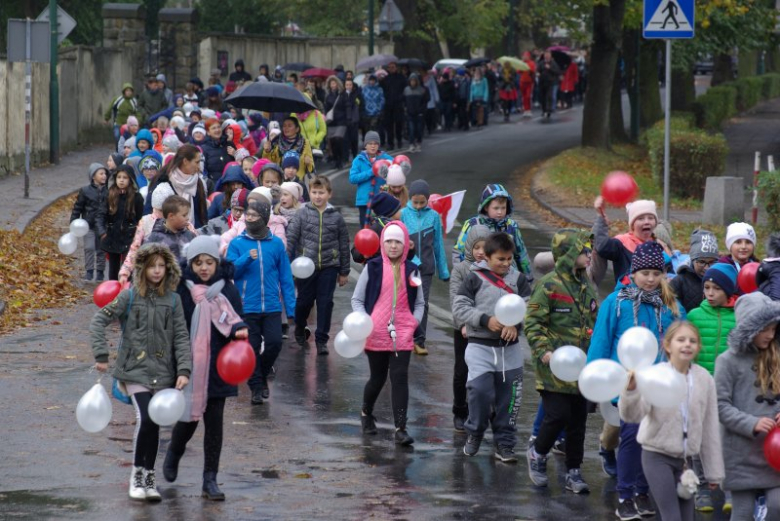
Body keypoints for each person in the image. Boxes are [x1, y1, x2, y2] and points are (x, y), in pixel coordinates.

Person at [587, 241, 685, 520]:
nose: (651, 279)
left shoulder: (670, 305)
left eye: (657, 273)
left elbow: (680, 340)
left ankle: (643, 491)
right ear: (634, 271)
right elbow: (602, 341)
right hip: (629, 386)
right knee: (631, 438)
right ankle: (625, 494)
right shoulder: (616, 303)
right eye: (645, 273)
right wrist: (595, 377)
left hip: (661, 385)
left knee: (652, 442)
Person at [89, 242, 191, 501]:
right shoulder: (129, 296)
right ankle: (136, 474)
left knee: (155, 424)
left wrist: (183, 369)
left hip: (163, 372)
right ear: (142, 268)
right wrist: (101, 355)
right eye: (151, 266)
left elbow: (180, 336)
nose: (157, 271)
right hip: (134, 370)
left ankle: (149, 477)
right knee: (146, 418)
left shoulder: (174, 300)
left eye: (161, 266)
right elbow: (99, 319)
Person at [163, 236, 248, 501]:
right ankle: (175, 451)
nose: (203, 268)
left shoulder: (228, 290)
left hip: (219, 367)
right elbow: (172, 326)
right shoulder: (180, 290)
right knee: (188, 419)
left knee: (214, 424)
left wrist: (241, 334)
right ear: (191, 263)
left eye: (209, 262)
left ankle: (209, 478)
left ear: (217, 263)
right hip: (188, 366)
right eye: (198, 262)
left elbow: (238, 321)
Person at [619, 321, 724, 521]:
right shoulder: (656, 375)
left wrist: (713, 472)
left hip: (685, 462)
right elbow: (633, 416)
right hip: (656, 456)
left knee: (687, 517)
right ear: (668, 345)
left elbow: (710, 428)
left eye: (693, 341)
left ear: (699, 347)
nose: (687, 344)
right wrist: (631, 391)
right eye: (681, 340)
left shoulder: (704, 379)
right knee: (672, 516)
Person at [525, 229, 599, 493]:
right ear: (568, 254)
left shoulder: (586, 284)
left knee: (578, 422)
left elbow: (593, 321)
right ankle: (538, 453)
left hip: (582, 368)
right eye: (583, 251)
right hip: (553, 366)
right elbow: (533, 323)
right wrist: (544, 351)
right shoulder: (548, 285)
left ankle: (574, 471)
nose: (589, 255)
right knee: (557, 416)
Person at [453, 232, 532, 462]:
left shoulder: (518, 280)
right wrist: (486, 319)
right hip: (480, 346)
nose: (506, 264)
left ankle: (504, 443)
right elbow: (459, 307)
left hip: (510, 350)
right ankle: (475, 432)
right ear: (487, 257)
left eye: (509, 259)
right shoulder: (473, 278)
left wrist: (517, 325)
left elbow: (530, 308)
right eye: (500, 259)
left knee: (509, 399)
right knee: (480, 392)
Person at [352, 222, 424, 446]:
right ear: (382, 243)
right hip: (376, 330)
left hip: (403, 331)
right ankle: (366, 413)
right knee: (378, 378)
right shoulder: (372, 267)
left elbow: (420, 302)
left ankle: (401, 428)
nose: (393, 246)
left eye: (398, 242)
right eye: (389, 242)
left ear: (405, 245)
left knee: (399, 378)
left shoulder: (413, 269)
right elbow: (357, 299)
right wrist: (364, 321)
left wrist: (414, 322)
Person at [715, 291, 780, 519]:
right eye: (764, 329)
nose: (770, 335)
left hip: (775, 452)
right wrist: (751, 423)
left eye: (774, 329)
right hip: (740, 452)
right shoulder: (727, 361)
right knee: (741, 512)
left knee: (777, 506)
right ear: (748, 328)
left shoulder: (776, 356)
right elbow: (720, 405)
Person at [227, 199, 296, 405]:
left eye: (254, 216)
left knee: (275, 344)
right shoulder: (237, 243)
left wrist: (291, 309)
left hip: (272, 306)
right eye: (247, 215)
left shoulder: (276, 244)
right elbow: (230, 270)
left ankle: (262, 375)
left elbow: (286, 278)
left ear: (265, 218)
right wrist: (246, 258)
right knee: (252, 347)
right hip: (247, 306)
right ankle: (256, 387)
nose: (249, 219)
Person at [687, 263, 737, 512]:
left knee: (726, 440)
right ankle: (702, 488)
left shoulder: (739, 317)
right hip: (700, 387)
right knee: (698, 440)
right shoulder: (695, 315)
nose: (710, 292)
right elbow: (687, 349)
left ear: (729, 290)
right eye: (706, 287)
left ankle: (730, 489)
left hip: (728, 391)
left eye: (716, 288)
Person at [286, 176, 350, 355]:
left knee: (325, 303)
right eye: (314, 192)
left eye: (321, 192)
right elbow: (291, 238)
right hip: (305, 266)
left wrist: (344, 271)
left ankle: (322, 339)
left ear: (329, 194)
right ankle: (300, 325)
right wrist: (286, 262)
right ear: (310, 194)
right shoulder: (302, 214)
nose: (318, 196)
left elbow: (344, 244)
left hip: (329, 266)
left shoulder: (336, 217)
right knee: (304, 302)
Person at [400, 180, 450, 355]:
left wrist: (443, 271)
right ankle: (405, 336)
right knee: (407, 302)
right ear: (410, 199)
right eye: (416, 202)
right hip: (408, 265)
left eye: (423, 202)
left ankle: (419, 340)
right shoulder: (404, 214)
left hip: (427, 268)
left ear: (428, 200)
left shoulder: (434, 217)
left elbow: (438, 245)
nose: (419, 206)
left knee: (423, 303)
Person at [449, 225, 490, 431]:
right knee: (462, 371)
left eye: (485, 247)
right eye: (477, 247)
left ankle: (484, 412)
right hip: (464, 329)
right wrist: (463, 324)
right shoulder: (461, 269)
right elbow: (456, 299)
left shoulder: (494, 270)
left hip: (487, 329)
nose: (481, 252)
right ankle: (459, 409)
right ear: (469, 248)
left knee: (485, 373)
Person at [455, 184, 533, 282]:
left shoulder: (511, 226)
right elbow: (459, 252)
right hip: (479, 277)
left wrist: (527, 277)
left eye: (503, 208)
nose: (500, 212)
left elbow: (521, 253)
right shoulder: (472, 224)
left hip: (507, 277)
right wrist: (461, 276)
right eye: (496, 208)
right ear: (486, 207)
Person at [118, 182, 176, 284]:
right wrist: (125, 271)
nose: (161, 214)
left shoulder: (179, 221)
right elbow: (135, 248)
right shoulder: (145, 221)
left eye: (165, 210)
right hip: (148, 271)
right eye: (159, 210)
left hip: (171, 273)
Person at [592, 197, 659, 284]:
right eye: (641, 218)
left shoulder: (659, 246)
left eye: (650, 218)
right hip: (627, 295)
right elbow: (600, 245)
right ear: (632, 224)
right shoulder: (621, 243)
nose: (646, 222)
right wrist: (600, 218)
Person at [144, 145, 209, 230]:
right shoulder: (163, 181)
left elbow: (201, 214)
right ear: (185, 161)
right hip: (165, 235)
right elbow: (151, 212)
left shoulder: (198, 182)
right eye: (196, 162)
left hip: (193, 235)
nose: (199, 167)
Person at [97, 165, 144, 281]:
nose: (121, 180)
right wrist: (102, 232)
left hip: (129, 237)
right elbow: (101, 215)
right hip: (112, 236)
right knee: (113, 269)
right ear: (115, 179)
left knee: (127, 267)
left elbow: (140, 219)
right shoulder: (109, 196)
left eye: (125, 178)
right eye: (119, 177)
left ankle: (126, 291)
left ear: (130, 180)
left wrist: (137, 236)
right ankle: (112, 292)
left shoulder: (137, 198)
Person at [71, 163, 108, 282]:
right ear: (93, 176)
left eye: (105, 174)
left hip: (103, 226)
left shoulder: (109, 191)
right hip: (88, 225)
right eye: (101, 173)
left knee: (101, 249)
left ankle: (100, 272)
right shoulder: (85, 191)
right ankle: (89, 271)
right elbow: (78, 207)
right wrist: (74, 221)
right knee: (89, 247)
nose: (104, 176)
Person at [348, 130, 393, 227]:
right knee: (365, 229)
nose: (373, 146)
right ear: (365, 145)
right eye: (370, 143)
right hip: (364, 201)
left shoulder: (385, 158)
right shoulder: (358, 160)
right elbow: (352, 178)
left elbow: (395, 170)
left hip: (381, 200)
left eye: (375, 143)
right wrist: (371, 172)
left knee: (381, 228)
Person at [671, 229, 720, 313]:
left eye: (712, 262)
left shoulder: (722, 280)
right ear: (692, 260)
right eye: (701, 262)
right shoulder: (679, 282)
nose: (707, 267)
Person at [143, 195, 197, 264]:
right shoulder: (154, 239)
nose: (187, 218)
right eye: (184, 215)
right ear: (171, 216)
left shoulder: (190, 236)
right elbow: (144, 263)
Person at [262, 116, 314, 181]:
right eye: (284, 126)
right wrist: (267, 151)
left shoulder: (305, 143)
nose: (286, 128)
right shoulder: (276, 141)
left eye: (289, 126)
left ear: (297, 129)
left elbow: (311, 167)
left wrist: (308, 163)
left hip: (298, 180)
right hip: (280, 179)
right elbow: (269, 163)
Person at [381, 62, 407, 150]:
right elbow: (382, 89)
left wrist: (402, 98)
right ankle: (390, 143)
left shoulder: (401, 78)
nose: (391, 69)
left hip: (398, 104)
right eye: (389, 67)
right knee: (389, 125)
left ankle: (399, 140)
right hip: (388, 105)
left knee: (399, 123)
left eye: (393, 67)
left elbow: (405, 89)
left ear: (396, 68)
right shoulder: (385, 79)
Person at [200, 118, 234, 182]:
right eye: (214, 128)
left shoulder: (229, 144)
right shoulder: (204, 148)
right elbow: (203, 169)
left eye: (219, 127)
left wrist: (235, 155)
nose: (217, 130)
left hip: (230, 182)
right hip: (214, 184)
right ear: (208, 132)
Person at [403, 73, 429, 152]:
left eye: (414, 81)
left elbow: (425, 101)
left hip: (419, 113)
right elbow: (404, 100)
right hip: (410, 113)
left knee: (419, 129)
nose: (413, 82)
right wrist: (405, 108)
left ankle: (418, 142)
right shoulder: (406, 90)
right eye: (411, 81)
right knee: (411, 129)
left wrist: (421, 110)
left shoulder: (421, 90)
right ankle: (411, 144)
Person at [361, 74, 385, 141]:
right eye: (371, 80)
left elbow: (382, 100)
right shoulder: (364, 89)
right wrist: (363, 109)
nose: (372, 82)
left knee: (374, 128)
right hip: (366, 112)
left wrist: (378, 109)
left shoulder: (379, 89)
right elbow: (362, 100)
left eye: (373, 80)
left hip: (375, 113)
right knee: (367, 129)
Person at [537, 52, 561, 119]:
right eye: (545, 55)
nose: (547, 57)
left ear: (550, 56)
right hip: (542, 82)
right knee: (542, 97)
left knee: (549, 96)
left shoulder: (553, 63)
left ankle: (548, 110)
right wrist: (538, 73)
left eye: (548, 55)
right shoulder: (541, 63)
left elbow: (557, 71)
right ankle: (544, 110)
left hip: (550, 82)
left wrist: (550, 68)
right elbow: (538, 70)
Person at [519, 52, 537, 117]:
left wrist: (526, 67)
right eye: (524, 56)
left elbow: (532, 70)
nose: (524, 57)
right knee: (524, 97)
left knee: (528, 96)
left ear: (529, 57)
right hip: (522, 81)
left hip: (529, 82)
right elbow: (518, 71)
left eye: (526, 56)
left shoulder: (531, 63)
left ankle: (528, 109)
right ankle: (525, 109)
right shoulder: (521, 63)